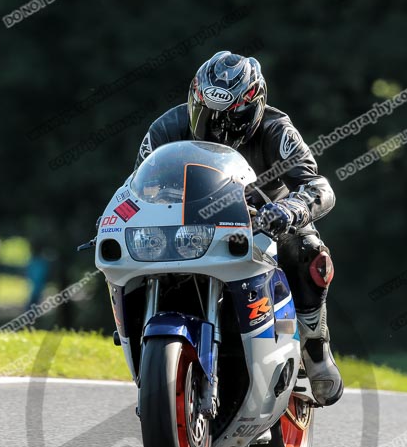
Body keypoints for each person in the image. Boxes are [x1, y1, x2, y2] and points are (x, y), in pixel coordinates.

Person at [135, 51, 343, 406]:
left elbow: (317, 185)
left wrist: (291, 209)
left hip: (264, 221)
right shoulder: (164, 129)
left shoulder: (277, 130)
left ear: (254, 107)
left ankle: (314, 345)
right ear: (194, 101)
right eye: (207, 113)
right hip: (187, 227)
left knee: (309, 253)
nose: (217, 126)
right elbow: (135, 187)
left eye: (231, 116)